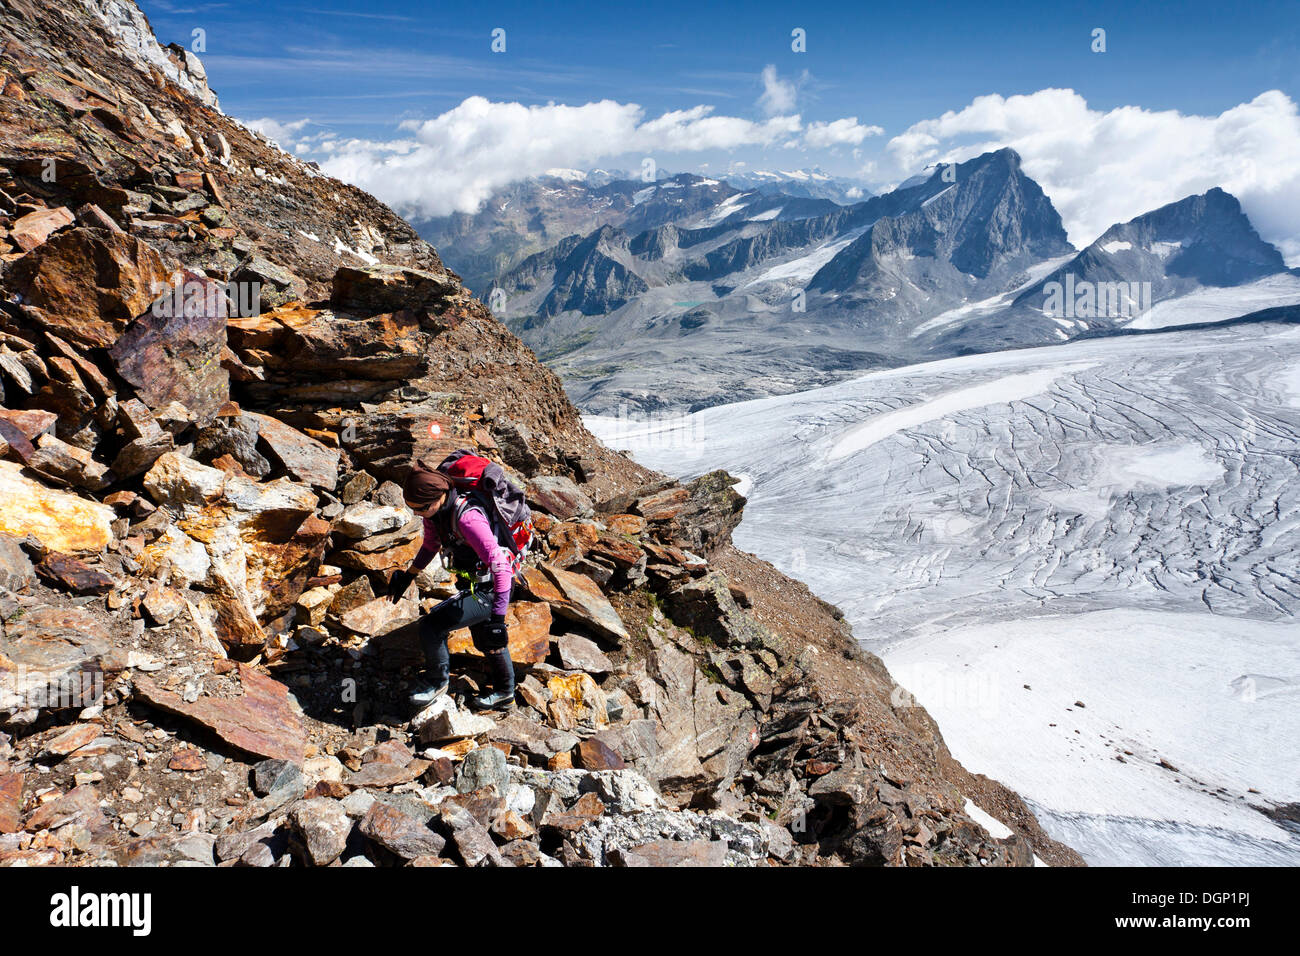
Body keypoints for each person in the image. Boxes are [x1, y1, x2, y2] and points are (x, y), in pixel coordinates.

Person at [385, 461, 516, 713]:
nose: (419, 514)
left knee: (431, 627)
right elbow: (431, 546)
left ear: (440, 496)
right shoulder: (435, 514)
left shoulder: (468, 519)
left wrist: (499, 618)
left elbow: (502, 567)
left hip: (490, 589)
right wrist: (409, 576)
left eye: (422, 508)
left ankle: (437, 682)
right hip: (475, 584)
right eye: (414, 510)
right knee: (486, 641)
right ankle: (505, 693)